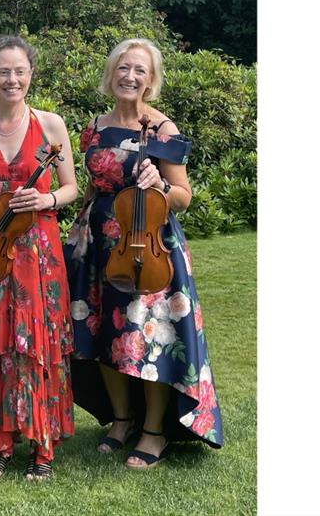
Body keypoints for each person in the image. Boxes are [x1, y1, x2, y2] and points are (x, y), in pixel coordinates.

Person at [63, 38, 224, 469]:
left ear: (150, 80)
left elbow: (183, 196)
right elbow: (94, 184)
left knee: (151, 335)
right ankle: (122, 419)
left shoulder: (163, 129)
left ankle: (154, 430)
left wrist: (161, 185)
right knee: (101, 331)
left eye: (139, 70)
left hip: (148, 243)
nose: (129, 76)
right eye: (123, 68)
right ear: (111, 73)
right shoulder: (96, 127)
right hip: (99, 243)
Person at [0, 35, 78, 481]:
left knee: (37, 345)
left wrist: (46, 200)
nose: (12, 79)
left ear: (31, 74)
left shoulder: (51, 125)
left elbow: (71, 188)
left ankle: (42, 445)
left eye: (19, 71)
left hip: (38, 254)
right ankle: (2, 443)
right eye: (3, 71)